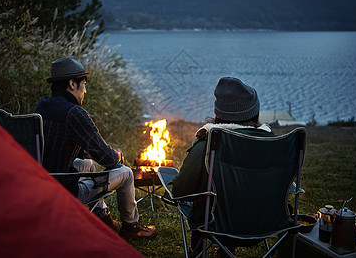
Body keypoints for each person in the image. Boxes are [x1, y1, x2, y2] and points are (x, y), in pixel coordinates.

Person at [35, 56, 157, 240]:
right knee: (125, 173)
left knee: (86, 163)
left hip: (42, 183)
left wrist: (86, 151)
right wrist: (117, 155)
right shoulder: (74, 112)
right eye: (84, 84)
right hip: (63, 191)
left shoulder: (43, 105)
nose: (85, 90)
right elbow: (107, 159)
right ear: (72, 84)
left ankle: (102, 218)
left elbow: (56, 142)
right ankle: (131, 226)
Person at [171, 77, 275, 255]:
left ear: (218, 113)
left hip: (215, 225)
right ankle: (226, 251)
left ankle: (199, 252)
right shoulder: (273, 143)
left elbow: (181, 191)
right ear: (254, 112)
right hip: (267, 221)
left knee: (205, 203)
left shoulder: (207, 145)